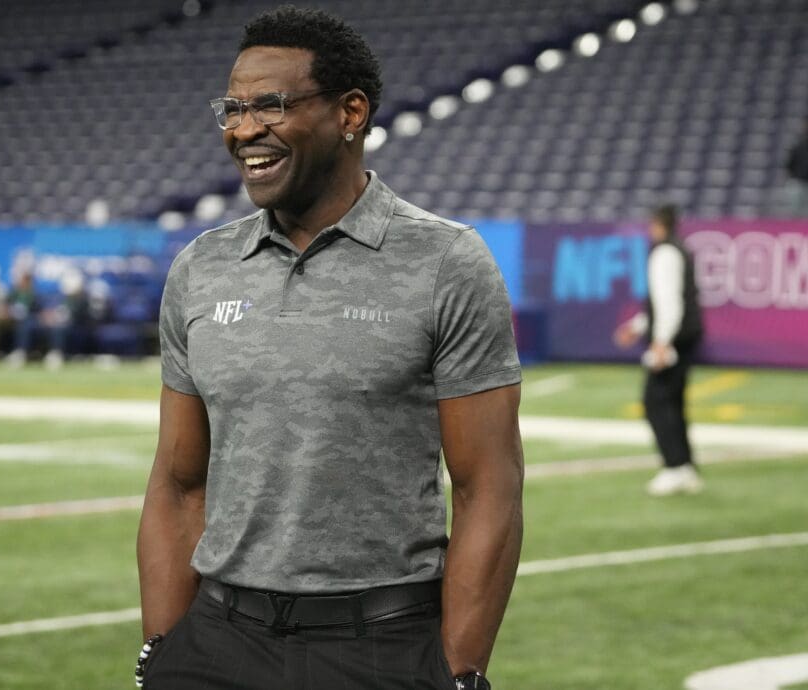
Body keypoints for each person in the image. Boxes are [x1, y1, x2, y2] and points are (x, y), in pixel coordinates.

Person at [136, 7, 523, 690]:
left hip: (380, 646)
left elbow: (488, 484)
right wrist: (165, 651)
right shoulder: (202, 267)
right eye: (232, 109)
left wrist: (458, 670)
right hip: (216, 640)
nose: (244, 130)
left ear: (350, 113)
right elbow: (176, 482)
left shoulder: (446, 262)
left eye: (271, 106)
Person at [614, 205, 704, 496]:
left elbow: (669, 301)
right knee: (674, 403)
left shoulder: (664, 253)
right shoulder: (679, 249)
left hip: (673, 339)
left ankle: (674, 466)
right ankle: (686, 466)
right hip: (684, 335)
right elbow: (667, 303)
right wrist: (639, 326)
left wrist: (661, 341)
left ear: (657, 223)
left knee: (656, 401)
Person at [785, 117, 808, 216]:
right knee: (794, 211)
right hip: (798, 182)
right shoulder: (798, 145)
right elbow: (789, 164)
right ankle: (795, 230)